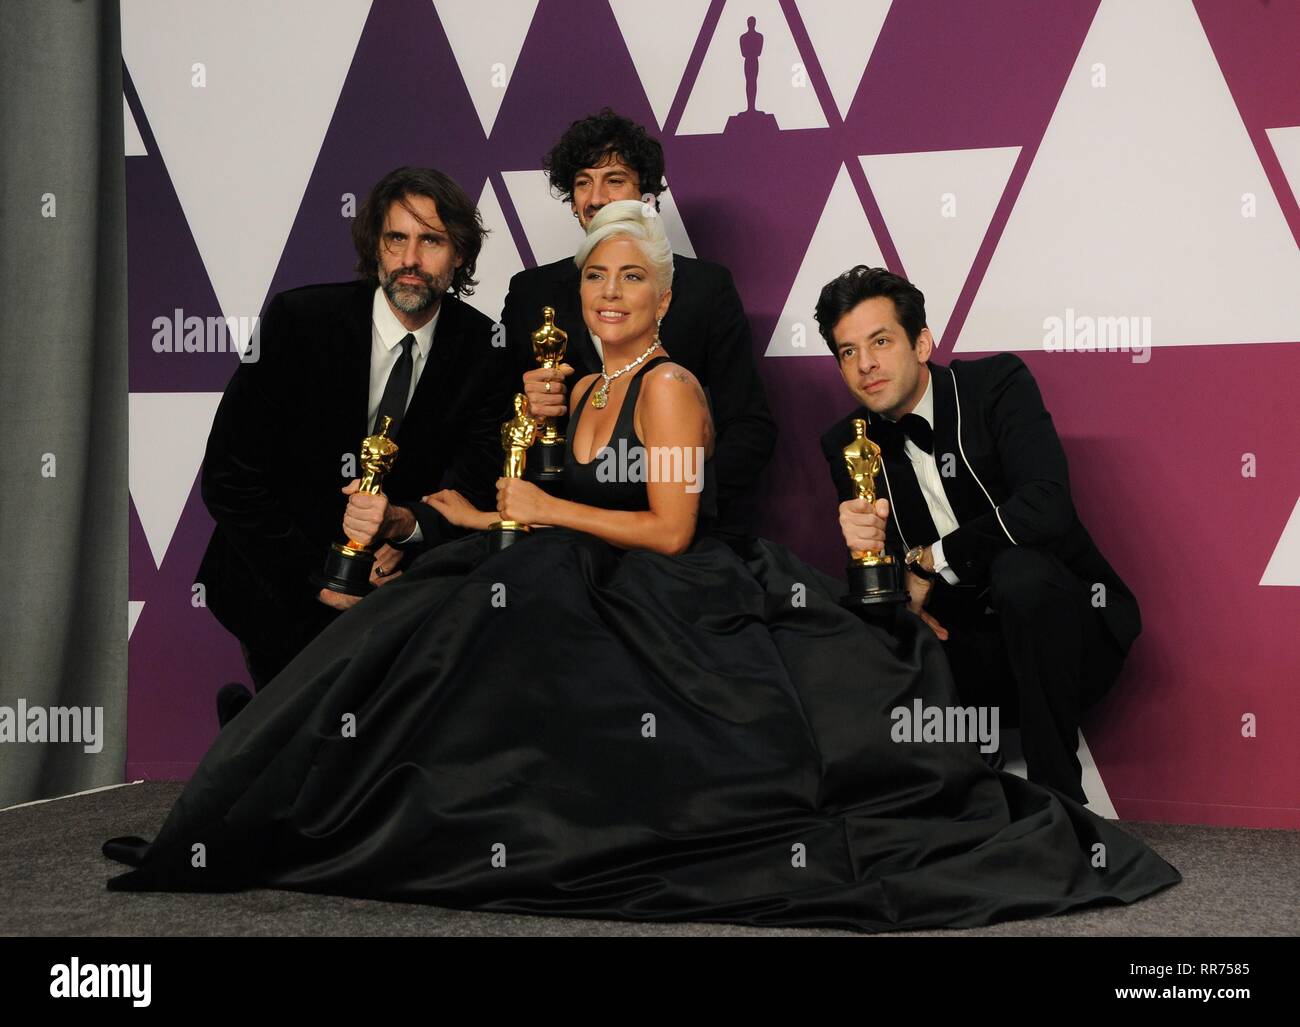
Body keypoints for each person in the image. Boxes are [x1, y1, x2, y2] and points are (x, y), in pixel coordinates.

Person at [104, 203, 1177, 934]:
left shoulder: (664, 389)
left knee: (462, 626)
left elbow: (667, 526)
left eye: (631, 278)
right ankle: (286, 785)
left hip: (667, 592)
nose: (609, 291)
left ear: (663, 302)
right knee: (429, 611)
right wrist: (473, 510)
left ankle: (313, 798)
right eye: (595, 277)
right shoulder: (582, 393)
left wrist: (536, 507)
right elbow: (558, 507)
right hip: (583, 574)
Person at [197, 167, 513, 725]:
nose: (411, 259)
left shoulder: (486, 351)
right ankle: (253, 734)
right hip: (278, 575)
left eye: (432, 241)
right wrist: (322, 576)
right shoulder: (299, 321)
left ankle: (250, 735)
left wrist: (405, 529)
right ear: (376, 247)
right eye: (397, 239)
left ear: (459, 254)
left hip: (403, 583)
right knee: (300, 744)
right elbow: (229, 477)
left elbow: (470, 486)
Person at [818, 266, 1140, 803]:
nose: (865, 364)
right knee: (842, 623)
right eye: (847, 352)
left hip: (1073, 637)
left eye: (880, 341)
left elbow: (1045, 505)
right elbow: (893, 594)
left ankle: (1060, 802)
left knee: (1020, 573)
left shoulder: (995, 386)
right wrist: (870, 555)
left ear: (921, 343)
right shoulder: (848, 444)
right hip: (968, 653)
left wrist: (926, 562)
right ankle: (952, 798)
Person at [500, 108, 774, 541]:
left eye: (614, 180)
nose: (596, 198)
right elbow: (496, 425)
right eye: (582, 183)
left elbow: (749, 427)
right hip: (561, 541)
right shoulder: (531, 294)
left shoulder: (706, 288)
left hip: (675, 548)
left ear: (645, 195)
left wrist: (671, 500)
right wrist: (528, 414)